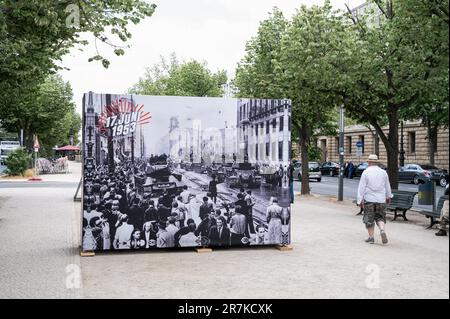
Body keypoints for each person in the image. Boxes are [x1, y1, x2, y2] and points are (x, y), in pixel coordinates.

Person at [357, 154, 393, 244]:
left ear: (369, 162)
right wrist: (389, 196)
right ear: (376, 162)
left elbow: (361, 188)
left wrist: (359, 200)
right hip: (381, 199)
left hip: (369, 199)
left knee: (369, 219)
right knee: (380, 217)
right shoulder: (383, 172)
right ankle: (382, 230)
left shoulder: (366, 172)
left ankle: (371, 237)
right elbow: (387, 186)